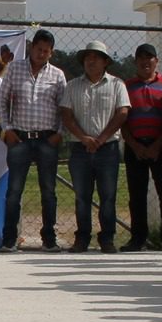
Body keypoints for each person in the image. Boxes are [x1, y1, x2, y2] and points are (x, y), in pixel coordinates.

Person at [0, 28, 70, 252]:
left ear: (52, 52)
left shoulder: (57, 75)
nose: (41, 54)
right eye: (39, 49)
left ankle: (49, 239)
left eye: (46, 51)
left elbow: (64, 107)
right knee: (14, 191)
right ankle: (9, 239)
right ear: (31, 47)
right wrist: (7, 129)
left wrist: (59, 133)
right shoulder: (15, 68)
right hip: (19, 138)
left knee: (48, 191)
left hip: (47, 139)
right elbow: (1, 100)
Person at [62, 40, 130, 253]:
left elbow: (122, 113)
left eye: (96, 57)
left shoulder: (117, 84)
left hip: (107, 148)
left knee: (108, 196)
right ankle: (82, 238)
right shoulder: (72, 86)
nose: (91, 60)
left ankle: (107, 239)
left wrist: (100, 139)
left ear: (105, 62)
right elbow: (66, 114)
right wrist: (83, 137)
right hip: (79, 148)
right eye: (87, 57)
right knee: (82, 196)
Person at [121, 42, 162, 250]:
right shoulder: (126, 86)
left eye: (149, 58)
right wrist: (134, 145)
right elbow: (122, 121)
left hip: (161, 147)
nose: (145, 62)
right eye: (141, 58)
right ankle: (138, 238)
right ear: (136, 61)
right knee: (136, 195)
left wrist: (158, 143)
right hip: (135, 146)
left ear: (156, 61)